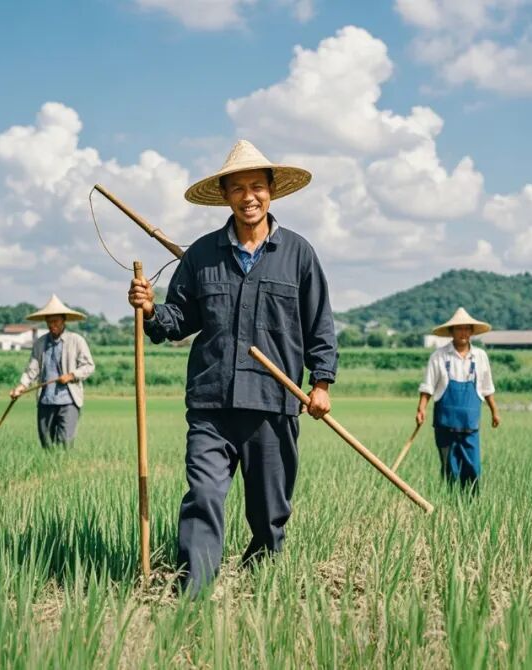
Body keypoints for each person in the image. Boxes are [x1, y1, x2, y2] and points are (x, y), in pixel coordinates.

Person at [127, 139, 338, 594]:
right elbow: (178, 319)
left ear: (271, 192)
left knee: (269, 512)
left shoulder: (299, 254)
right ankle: (194, 593)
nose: (249, 197)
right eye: (238, 188)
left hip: (273, 402)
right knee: (203, 495)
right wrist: (148, 310)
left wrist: (321, 383)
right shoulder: (203, 255)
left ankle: (261, 584)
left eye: (257, 187)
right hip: (212, 403)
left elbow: (319, 323)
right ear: (225, 195)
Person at [416, 308, 501, 492]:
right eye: (459, 329)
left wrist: (495, 411)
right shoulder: (438, 356)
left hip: (470, 425)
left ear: (471, 331)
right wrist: (421, 409)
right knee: (450, 471)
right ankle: (452, 509)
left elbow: (487, 387)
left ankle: (471, 508)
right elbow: (428, 387)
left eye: (466, 329)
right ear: (451, 332)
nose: (463, 333)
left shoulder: (480, 357)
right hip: (445, 426)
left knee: (473, 470)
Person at [11, 295, 95, 448]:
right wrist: (21, 387)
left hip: (69, 400)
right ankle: (49, 468)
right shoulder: (40, 343)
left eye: (55, 321)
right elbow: (32, 369)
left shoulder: (76, 340)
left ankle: (64, 469)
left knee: (65, 442)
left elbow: (89, 366)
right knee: (46, 442)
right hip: (46, 400)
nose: (52, 325)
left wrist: (71, 375)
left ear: (64, 321)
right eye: (49, 321)